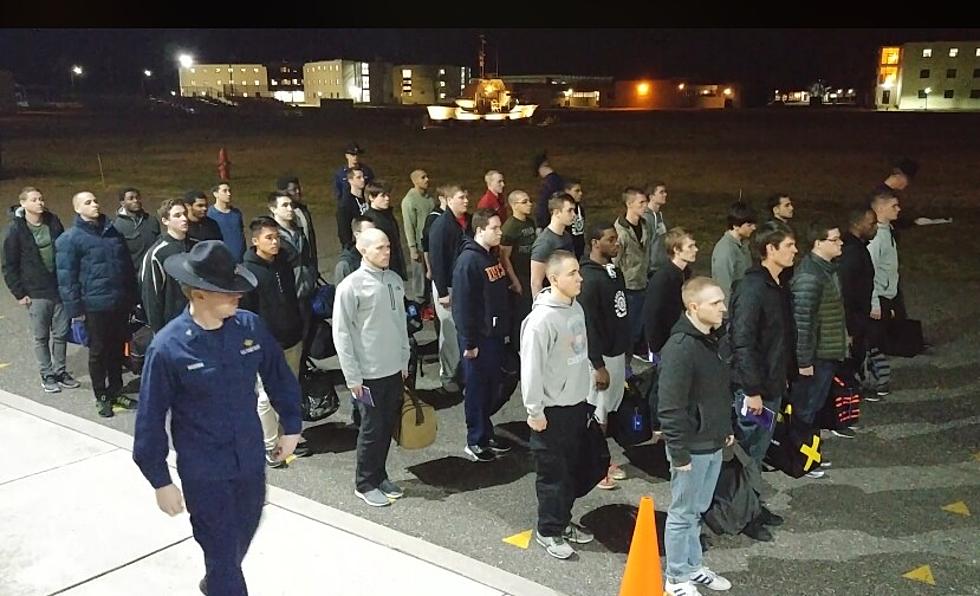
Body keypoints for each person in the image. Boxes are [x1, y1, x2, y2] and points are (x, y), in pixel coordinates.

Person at [133, 240, 302, 596]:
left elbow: (279, 376)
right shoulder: (168, 347)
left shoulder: (249, 327)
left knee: (239, 537)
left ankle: (216, 578)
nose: (237, 297)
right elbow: (149, 419)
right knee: (223, 551)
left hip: (249, 461)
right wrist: (160, 480)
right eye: (228, 292)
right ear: (199, 295)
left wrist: (292, 425)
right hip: (204, 470)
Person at [658, 276, 735, 596]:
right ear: (693, 306)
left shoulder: (710, 340)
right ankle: (675, 578)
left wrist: (724, 429)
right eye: (715, 303)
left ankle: (692, 567)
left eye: (722, 301)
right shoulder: (680, 348)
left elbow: (714, 393)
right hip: (691, 448)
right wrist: (679, 454)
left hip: (711, 441)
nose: (723, 309)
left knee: (696, 510)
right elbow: (670, 407)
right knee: (682, 513)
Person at [520, 250, 594, 560]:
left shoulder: (575, 308)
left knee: (572, 471)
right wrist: (534, 411)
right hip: (551, 411)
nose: (580, 278)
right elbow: (532, 370)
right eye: (573, 273)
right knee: (553, 474)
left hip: (576, 404)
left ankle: (563, 522)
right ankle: (548, 530)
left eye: (579, 272)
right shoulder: (541, 321)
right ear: (554, 279)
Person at [332, 228, 411, 508]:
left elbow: (400, 324)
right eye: (379, 248)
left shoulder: (393, 280)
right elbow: (341, 334)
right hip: (367, 375)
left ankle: (380, 475)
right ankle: (364, 483)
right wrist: (352, 376)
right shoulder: (351, 287)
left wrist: (404, 360)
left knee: (387, 425)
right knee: (371, 428)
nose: (387, 251)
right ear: (363, 250)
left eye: (388, 246)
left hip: (392, 370)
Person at [56, 191, 138, 417]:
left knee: (116, 349)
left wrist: (132, 297)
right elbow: (67, 279)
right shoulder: (70, 239)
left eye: (95, 200)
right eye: (88, 202)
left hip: (118, 303)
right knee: (98, 351)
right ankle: (101, 395)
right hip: (94, 306)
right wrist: (75, 311)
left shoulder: (113, 233)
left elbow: (126, 267)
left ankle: (116, 390)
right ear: (77, 209)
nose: (95, 204)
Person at [241, 217, 312, 468]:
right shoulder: (247, 271)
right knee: (265, 397)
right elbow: (246, 313)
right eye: (269, 238)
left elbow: (292, 297)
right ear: (255, 241)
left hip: (292, 338)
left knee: (290, 390)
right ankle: (270, 445)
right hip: (266, 344)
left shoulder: (283, 263)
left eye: (277, 237)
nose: (275, 242)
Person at [2, 186, 80, 393]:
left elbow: (65, 250)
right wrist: (19, 293)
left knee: (62, 332)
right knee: (41, 336)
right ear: (24, 204)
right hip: (35, 292)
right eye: (35, 199)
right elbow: (9, 265)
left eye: (41, 198)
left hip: (58, 288)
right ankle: (47, 374)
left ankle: (60, 370)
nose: (40, 202)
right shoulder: (15, 230)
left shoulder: (53, 222)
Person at [452, 209, 512, 462]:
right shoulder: (469, 262)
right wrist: (469, 343)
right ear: (479, 230)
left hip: (494, 336)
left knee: (490, 387)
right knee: (476, 390)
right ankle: (475, 440)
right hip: (479, 340)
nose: (500, 232)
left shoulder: (490, 256)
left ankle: (485, 433)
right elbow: (463, 306)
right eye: (495, 228)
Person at [577, 222, 630, 489]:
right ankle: (596, 466)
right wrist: (597, 364)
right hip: (601, 357)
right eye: (611, 239)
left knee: (609, 409)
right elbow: (589, 325)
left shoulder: (612, 272)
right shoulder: (589, 279)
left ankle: (601, 459)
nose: (616, 243)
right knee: (597, 412)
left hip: (617, 352)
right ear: (595, 243)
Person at [790, 222, 848, 447]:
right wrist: (804, 361)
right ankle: (799, 455)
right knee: (806, 408)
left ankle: (807, 452)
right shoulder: (810, 276)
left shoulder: (826, 269)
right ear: (818, 243)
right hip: (817, 356)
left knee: (813, 406)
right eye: (834, 239)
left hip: (826, 351)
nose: (840, 242)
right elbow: (803, 323)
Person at [642, 227, 698, 427]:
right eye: (690, 246)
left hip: (678, 340)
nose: (696, 250)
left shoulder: (685, 274)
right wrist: (656, 346)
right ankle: (656, 425)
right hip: (665, 342)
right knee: (661, 385)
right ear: (676, 250)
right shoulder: (663, 278)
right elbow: (652, 314)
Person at [428, 185, 471, 393]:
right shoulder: (442, 225)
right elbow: (436, 261)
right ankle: (448, 376)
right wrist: (443, 292)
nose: (466, 201)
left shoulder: (461, 222)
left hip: (459, 286)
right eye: (461, 197)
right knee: (449, 333)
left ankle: (460, 372)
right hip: (447, 288)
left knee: (460, 330)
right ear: (449, 200)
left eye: (466, 197)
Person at [866, 190, 902, 399]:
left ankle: (878, 380)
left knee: (878, 341)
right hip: (878, 297)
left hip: (885, 295)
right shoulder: (877, 237)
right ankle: (876, 382)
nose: (898, 209)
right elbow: (869, 272)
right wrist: (874, 303)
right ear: (880, 209)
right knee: (873, 343)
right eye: (894, 206)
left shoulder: (887, 231)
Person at [838, 206, 877, 392]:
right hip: (853, 318)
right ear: (857, 223)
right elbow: (846, 289)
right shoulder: (852, 252)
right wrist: (850, 326)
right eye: (871, 224)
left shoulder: (857, 247)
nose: (875, 228)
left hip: (858, 316)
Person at [140, 198, 192, 332]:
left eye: (185, 214)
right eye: (177, 215)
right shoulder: (157, 254)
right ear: (165, 221)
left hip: (199, 321)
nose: (184, 219)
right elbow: (151, 297)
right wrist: (158, 332)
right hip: (174, 325)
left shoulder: (196, 247)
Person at [613, 187, 651, 362]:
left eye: (645, 202)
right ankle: (628, 352)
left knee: (640, 319)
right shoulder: (620, 232)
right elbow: (615, 260)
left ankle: (636, 346)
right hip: (628, 284)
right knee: (630, 322)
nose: (645, 206)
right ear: (629, 204)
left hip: (642, 280)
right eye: (641, 203)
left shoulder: (644, 225)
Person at [499, 190, 536, 348]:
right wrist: (514, 281)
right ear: (514, 205)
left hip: (531, 273)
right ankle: (518, 348)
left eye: (529, 200)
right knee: (521, 313)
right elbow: (504, 257)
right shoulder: (509, 228)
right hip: (520, 275)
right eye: (525, 201)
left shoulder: (530, 222)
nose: (529, 204)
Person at [711, 201, 757, 309]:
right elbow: (723, 285)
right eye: (749, 225)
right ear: (736, 226)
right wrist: (725, 315)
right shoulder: (725, 250)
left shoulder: (743, 244)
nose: (754, 228)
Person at [530, 193, 575, 297]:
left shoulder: (566, 236)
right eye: (569, 210)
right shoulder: (544, 243)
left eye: (574, 210)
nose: (574, 215)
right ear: (557, 212)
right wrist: (540, 309)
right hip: (552, 298)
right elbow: (536, 282)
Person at [401, 169, 433, 302]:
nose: (427, 180)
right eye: (423, 177)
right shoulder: (409, 201)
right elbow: (409, 226)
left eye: (427, 177)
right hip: (420, 245)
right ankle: (420, 304)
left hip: (431, 243)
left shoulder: (429, 198)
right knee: (420, 277)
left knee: (431, 275)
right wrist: (413, 248)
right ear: (414, 181)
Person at [364, 182, 407, 281]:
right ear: (371, 198)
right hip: (381, 268)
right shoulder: (369, 220)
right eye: (383, 196)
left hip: (394, 263)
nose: (387, 198)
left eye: (388, 195)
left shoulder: (388, 214)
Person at [276, 175, 318, 274]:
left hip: (308, 265)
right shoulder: (280, 216)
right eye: (293, 190)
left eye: (298, 188)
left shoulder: (303, 210)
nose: (298, 192)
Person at [112, 186, 161, 269]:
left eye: (137, 197)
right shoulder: (117, 226)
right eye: (131, 198)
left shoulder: (151, 220)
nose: (136, 200)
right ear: (122, 203)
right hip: (134, 274)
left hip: (155, 270)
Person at [207, 182, 245, 263]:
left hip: (240, 260)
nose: (229, 194)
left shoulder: (236, 213)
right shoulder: (209, 214)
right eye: (225, 191)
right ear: (216, 194)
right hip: (220, 261)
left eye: (229, 191)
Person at [334, 216, 376, 284]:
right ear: (357, 234)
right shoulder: (345, 266)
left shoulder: (378, 255)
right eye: (369, 232)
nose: (374, 236)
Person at [337, 167, 369, 250]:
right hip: (358, 246)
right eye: (358, 177)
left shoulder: (368, 198)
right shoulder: (346, 204)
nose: (362, 180)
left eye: (363, 177)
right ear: (350, 180)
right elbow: (344, 231)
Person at [643, 181, 670, 277]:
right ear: (651, 197)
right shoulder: (646, 218)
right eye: (661, 192)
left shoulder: (660, 216)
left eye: (665, 192)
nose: (665, 194)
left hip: (662, 267)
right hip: (652, 270)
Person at [532, 152, 565, 230]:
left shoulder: (548, 184)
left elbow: (543, 205)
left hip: (550, 224)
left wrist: (541, 224)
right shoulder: (559, 180)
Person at [564, 178, 586, 260]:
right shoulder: (563, 211)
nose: (580, 193)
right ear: (567, 191)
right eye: (577, 191)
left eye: (580, 190)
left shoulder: (580, 208)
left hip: (579, 251)